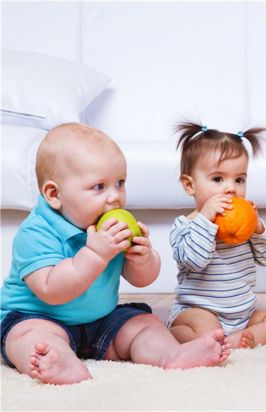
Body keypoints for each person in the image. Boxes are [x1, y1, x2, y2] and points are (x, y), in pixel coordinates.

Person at [0, 124, 231, 385]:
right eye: (99, 187)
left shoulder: (110, 228)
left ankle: (171, 354)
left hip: (101, 319)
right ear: (54, 194)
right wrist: (95, 254)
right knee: (28, 337)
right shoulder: (35, 233)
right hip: (40, 318)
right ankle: (58, 361)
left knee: (143, 323)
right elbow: (52, 290)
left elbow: (142, 280)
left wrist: (143, 259)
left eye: (120, 183)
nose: (115, 198)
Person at [166, 122, 266, 349]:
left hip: (243, 315)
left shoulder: (244, 225)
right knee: (204, 327)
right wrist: (206, 219)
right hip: (198, 312)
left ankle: (242, 339)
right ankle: (187, 337)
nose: (231, 188)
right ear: (189, 185)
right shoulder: (185, 226)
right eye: (218, 179)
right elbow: (195, 261)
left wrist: (257, 227)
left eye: (239, 180)